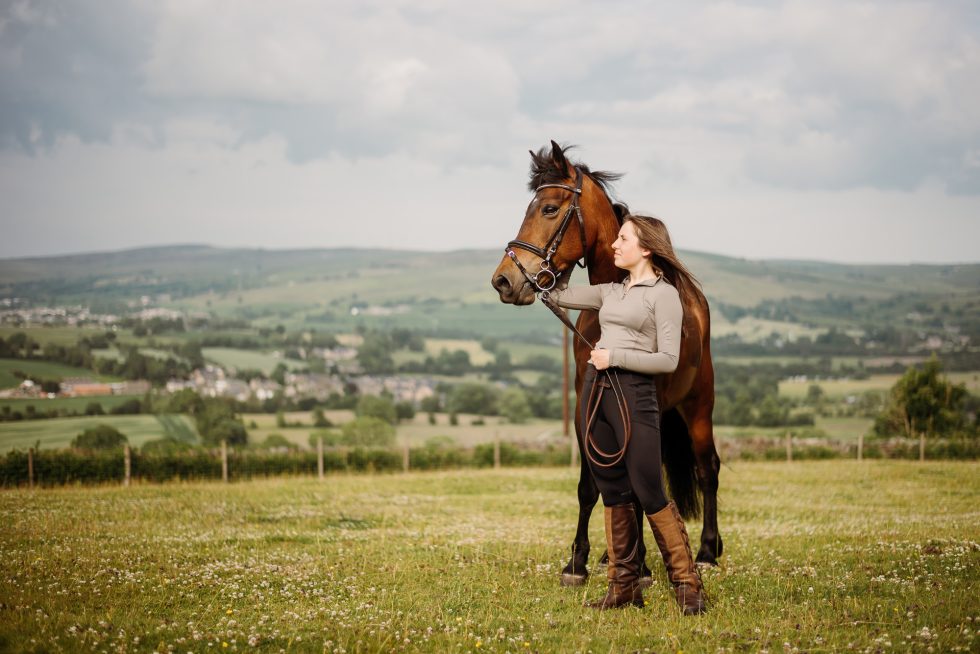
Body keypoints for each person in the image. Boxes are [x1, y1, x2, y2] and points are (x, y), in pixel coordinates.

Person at [548, 214, 706, 615]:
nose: (614, 245)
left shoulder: (663, 294)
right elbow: (558, 295)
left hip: (634, 394)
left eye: (623, 239)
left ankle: (688, 586)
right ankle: (624, 586)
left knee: (649, 489)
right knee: (613, 489)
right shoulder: (610, 292)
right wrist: (543, 265)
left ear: (647, 248)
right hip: (597, 393)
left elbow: (668, 360)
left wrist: (614, 355)